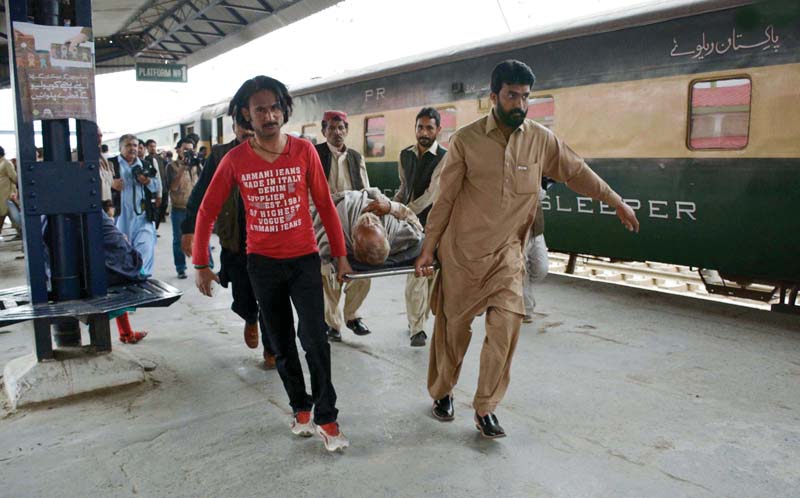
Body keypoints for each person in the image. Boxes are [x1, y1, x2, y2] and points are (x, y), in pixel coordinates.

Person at [415, 60, 640, 439]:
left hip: (506, 256)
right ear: (493, 98)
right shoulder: (467, 140)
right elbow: (446, 200)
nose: (519, 104)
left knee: (506, 328)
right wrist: (428, 249)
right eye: (511, 96)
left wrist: (615, 200)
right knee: (452, 333)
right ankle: (443, 392)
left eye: (525, 97)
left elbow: (576, 170)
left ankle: (485, 407)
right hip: (463, 255)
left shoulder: (540, 139)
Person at [193, 75, 352, 452]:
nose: (269, 115)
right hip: (262, 264)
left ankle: (327, 418)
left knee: (314, 338)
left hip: (304, 260)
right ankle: (301, 407)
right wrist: (201, 262)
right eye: (259, 109)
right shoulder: (234, 160)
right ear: (246, 115)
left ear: (284, 109)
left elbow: (326, 205)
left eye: (274, 107)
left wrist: (342, 256)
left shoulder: (304, 152)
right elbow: (206, 210)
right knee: (280, 342)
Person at [181, 119, 277, 368]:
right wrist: (188, 229)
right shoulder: (222, 155)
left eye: (250, 125)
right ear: (233, 127)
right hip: (235, 240)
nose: (247, 130)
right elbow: (200, 193)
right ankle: (249, 316)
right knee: (244, 294)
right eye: (241, 125)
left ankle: (272, 348)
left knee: (271, 297)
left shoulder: (272, 150)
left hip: (269, 241)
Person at [314, 188, 424, 343]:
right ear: (352, 238)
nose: (369, 220)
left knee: (362, 277)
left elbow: (418, 228)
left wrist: (391, 207)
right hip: (339, 203)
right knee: (329, 279)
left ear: (386, 234)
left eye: (373, 224)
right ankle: (332, 324)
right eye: (368, 224)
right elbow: (319, 244)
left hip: (356, 222)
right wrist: (392, 207)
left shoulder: (398, 232)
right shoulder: (337, 224)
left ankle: (351, 316)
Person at [314, 110, 372, 340]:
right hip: (323, 221)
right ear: (323, 131)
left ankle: (352, 315)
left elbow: (365, 189)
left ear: (347, 130)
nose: (337, 133)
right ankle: (333, 324)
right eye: (331, 128)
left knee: (364, 271)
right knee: (328, 273)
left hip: (352, 220)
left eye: (341, 128)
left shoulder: (356, 157)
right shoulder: (316, 154)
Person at [395, 107, 448, 347]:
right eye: (420, 127)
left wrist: (401, 212)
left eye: (429, 127)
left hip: (434, 224)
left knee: (430, 276)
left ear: (438, 130)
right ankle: (417, 328)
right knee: (415, 274)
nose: (424, 132)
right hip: (409, 226)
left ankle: (418, 320)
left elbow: (431, 195)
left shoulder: (445, 158)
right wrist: (392, 205)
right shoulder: (405, 155)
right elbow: (404, 188)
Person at [115, 134, 160, 278]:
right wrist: (112, 184)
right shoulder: (112, 165)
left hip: (142, 217)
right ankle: (126, 279)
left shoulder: (145, 165)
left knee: (145, 247)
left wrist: (147, 182)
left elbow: (155, 187)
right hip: (120, 218)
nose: (133, 148)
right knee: (122, 251)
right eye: (128, 145)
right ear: (120, 148)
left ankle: (142, 278)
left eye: (135, 145)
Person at [166, 137, 212, 279]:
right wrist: (183, 168)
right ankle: (181, 268)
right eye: (185, 149)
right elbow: (172, 187)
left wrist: (198, 164)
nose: (188, 153)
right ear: (178, 150)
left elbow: (207, 181)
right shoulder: (171, 166)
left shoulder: (196, 165)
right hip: (180, 208)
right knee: (178, 239)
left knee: (204, 237)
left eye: (191, 150)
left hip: (198, 209)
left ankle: (209, 265)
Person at [522, 184, 550, 323]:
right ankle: (525, 309)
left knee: (542, 268)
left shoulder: (535, 170)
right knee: (521, 273)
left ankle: (518, 288)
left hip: (536, 230)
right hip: (517, 233)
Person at [145, 139, 168, 224]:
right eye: (151, 146)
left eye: (154, 146)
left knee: (163, 207)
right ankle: (154, 228)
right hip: (154, 189)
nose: (153, 148)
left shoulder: (161, 159)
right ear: (147, 148)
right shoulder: (146, 160)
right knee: (155, 210)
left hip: (164, 187)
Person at [0, 146, 19, 240]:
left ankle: (21, 232)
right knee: (8, 213)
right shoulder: (2, 163)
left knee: (5, 212)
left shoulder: (6, 163)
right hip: (2, 192)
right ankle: (20, 231)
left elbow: (14, 177)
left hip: (6, 192)